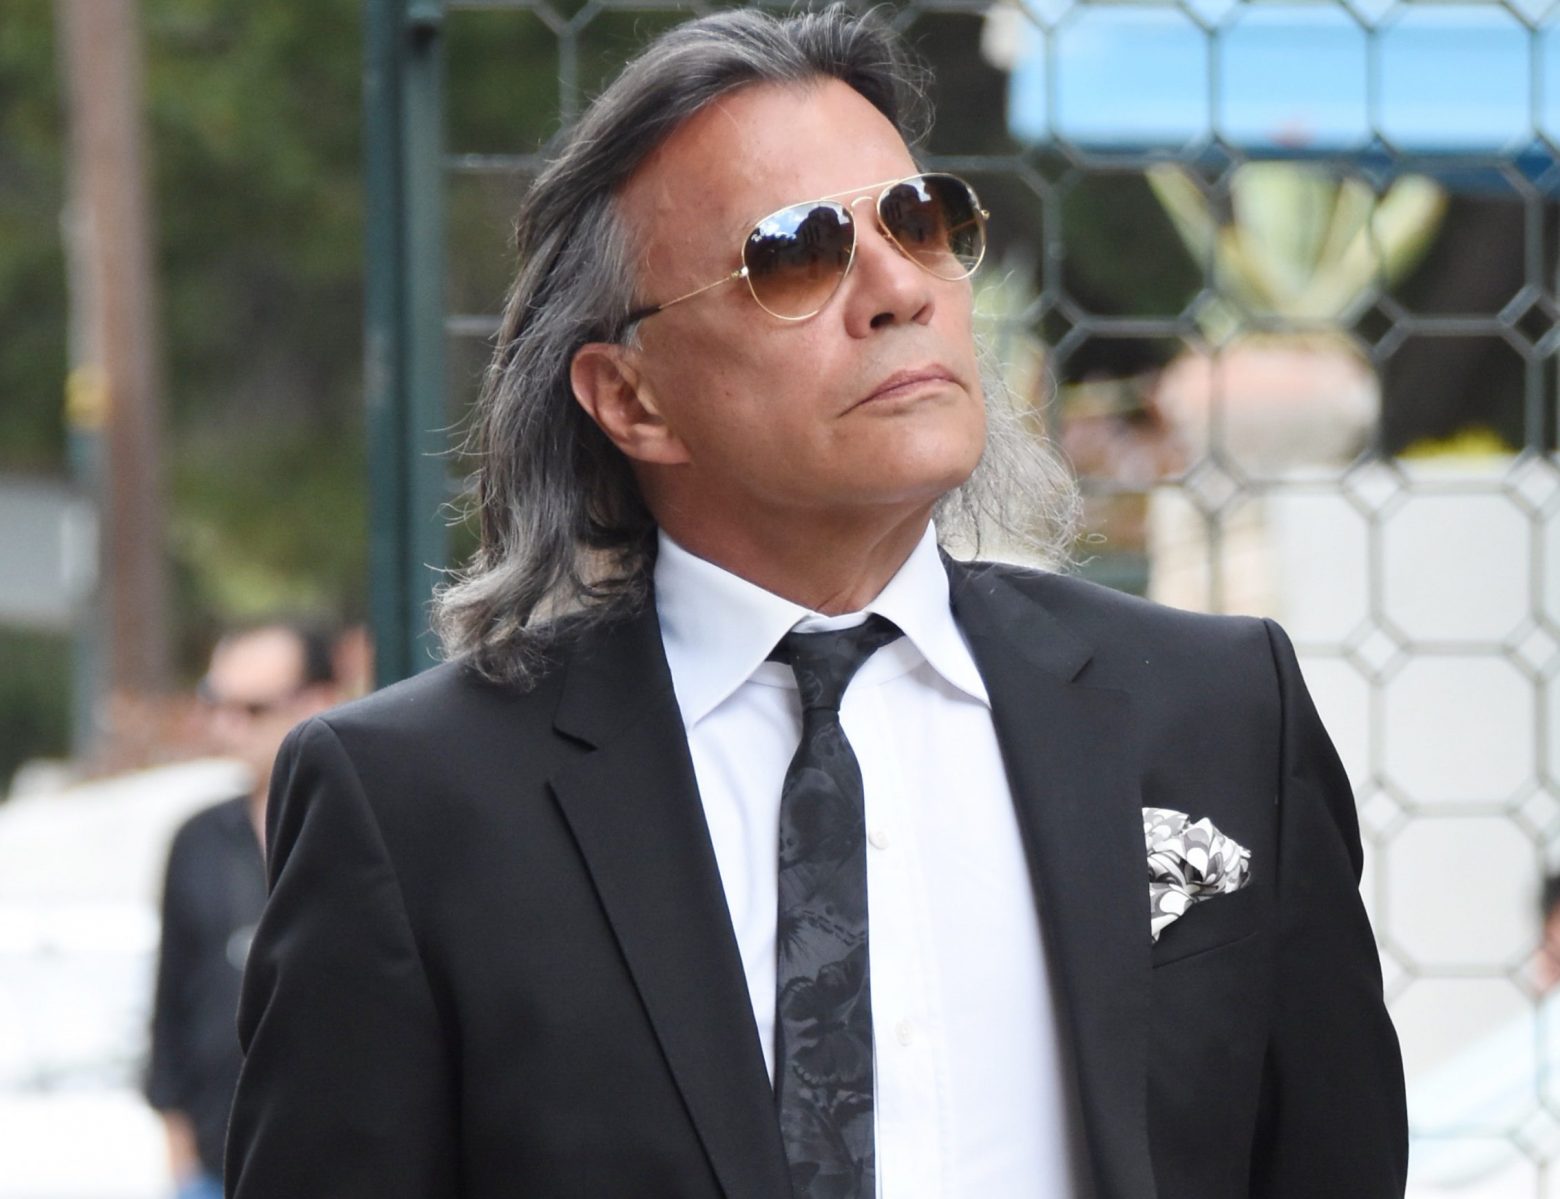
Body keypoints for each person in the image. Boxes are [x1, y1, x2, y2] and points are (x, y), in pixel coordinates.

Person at [226, 8, 1408, 1197]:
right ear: (632, 398)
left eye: (920, 222)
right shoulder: (417, 805)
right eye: (796, 253)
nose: (899, 288)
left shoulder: (1218, 713)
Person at [144, 624, 338, 1199]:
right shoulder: (198, 839)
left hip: (332, 1160)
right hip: (213, 1161)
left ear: (318, 699)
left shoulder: (355, 831)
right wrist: (180, 1159)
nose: (227, 727)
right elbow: (172, 1002)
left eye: (252, 709)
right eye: (215, 704)